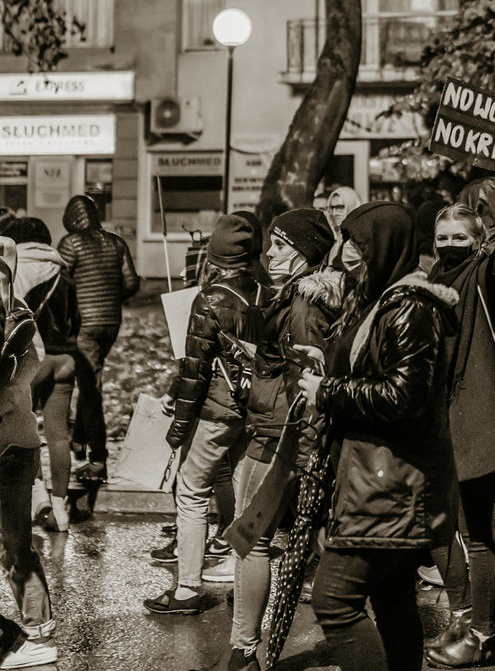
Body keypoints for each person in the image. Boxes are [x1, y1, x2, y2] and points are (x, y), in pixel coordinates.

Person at [297, 202, 460, 671]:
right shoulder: (379, 299)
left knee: (333, 599)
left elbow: (404, 394)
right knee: (393, 602)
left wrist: (328, 390)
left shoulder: (409, 306)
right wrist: (327, 362)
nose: (347, 251)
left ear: (386, 247)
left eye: (360, 243)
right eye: (346, 240)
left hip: (391, 482)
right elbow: (376, 370)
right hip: (377, 475)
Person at [423, 166, 495, 668]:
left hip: (477, 421)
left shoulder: (483, 274)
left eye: (459, 237)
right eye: (441, 236)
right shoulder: (429, 280)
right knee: (441, 525)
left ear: (476, 243)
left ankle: (482, 633)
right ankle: (468, 613)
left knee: (481, 531)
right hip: (439, 420)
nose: (450, 244)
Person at [228, 208, 339, 671]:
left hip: (280, 439)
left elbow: (308, 381)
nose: (268, 252)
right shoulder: (301, 297)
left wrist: (307, 449)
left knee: (251, 539)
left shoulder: (303, 305)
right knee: (322, 542)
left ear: (304, 253)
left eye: (280, 245)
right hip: (284, 433)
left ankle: (243, 652)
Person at [144, 214, 262, 615]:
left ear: (214, 254)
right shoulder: (267, 290)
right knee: (242, 494)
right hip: (255, 406)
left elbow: (195, 368)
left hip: (215, 409)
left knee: (191, 493)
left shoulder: (210, 297)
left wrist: (178, 425)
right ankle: (243, 578)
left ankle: (187, 589)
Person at [0, 204, 58, 669]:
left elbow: (20, 374)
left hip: (3, 439)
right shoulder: (14, 311)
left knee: (15, 545)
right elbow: (30, 368)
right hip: (14, 435)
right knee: (15, 545)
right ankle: (35, 630)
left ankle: (28, 632)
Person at [4, 217, 83, 532]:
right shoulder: (64, 274)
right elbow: (75, 322)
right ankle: (61, 509)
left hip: (32, 361)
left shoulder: (15, 271)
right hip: (64, 360)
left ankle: (38, 498)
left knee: (26, 431)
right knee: (59, 435)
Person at [57, 193, 140, 484]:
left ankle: (98, 456)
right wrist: (110, 297)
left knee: (90, 389)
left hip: (84, 325)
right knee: (91, 378)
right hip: (111, 322)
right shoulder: (116, 242)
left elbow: (61, 283)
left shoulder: (71, 243)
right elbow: (131, 282)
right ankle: (79, 439)